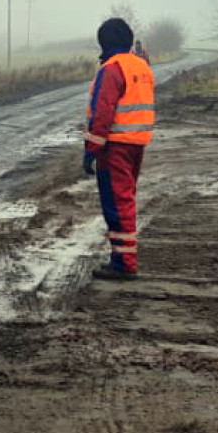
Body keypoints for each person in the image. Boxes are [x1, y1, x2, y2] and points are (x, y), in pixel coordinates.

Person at [84, 17, 155, 281]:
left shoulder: (112, 69)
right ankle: (121, 257)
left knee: (117, 203)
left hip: (114, 147)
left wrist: (91, 149)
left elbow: (102, 113)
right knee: (125, 199)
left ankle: (124, 262)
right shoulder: (142, 66)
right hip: (137, 143)